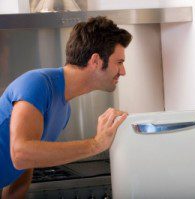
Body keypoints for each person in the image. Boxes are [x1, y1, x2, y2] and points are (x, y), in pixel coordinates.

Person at [0, 16, 132, 198]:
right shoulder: (38, 84)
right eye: (119, 62)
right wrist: (96, 144)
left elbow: (25, 165)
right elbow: (21, 153)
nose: (123, 71)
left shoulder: (63, 110)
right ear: (95, 61)